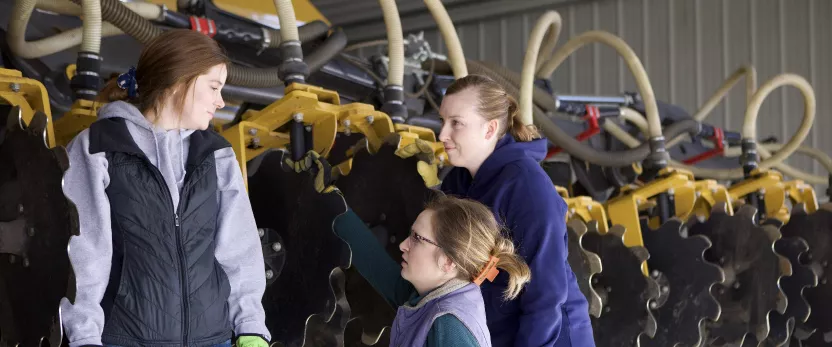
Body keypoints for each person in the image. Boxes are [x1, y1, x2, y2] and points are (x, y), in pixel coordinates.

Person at [59, 29, 270, 347]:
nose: (220, 101)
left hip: (213, 340)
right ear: (180, 80)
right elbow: (86, 253)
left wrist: (251, 325)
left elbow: (240, 248)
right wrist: (84, 335)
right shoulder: (99, 147)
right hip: (125, 340)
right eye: (214, 87)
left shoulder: (217, 153)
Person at [438, 74, 595, 347]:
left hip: (551, 337)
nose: (442, 135)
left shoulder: (526, 186)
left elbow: (546, 293)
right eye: (442, 121)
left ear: (490, 129)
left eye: (456, 124)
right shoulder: (457, 183)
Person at [329, 191, 531, 347]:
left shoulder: (450, 327)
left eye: (417, 238)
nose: (403, 245)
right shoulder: (433, 296)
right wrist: (332, 198)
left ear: (449, 261)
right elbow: (374, 262)